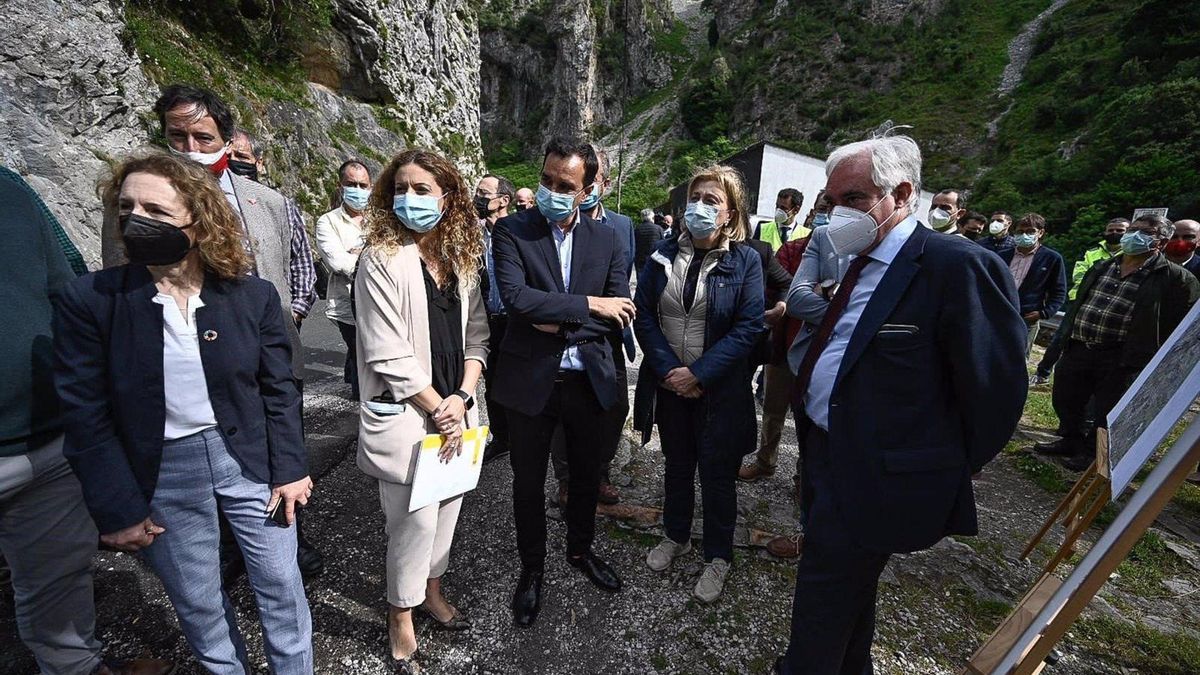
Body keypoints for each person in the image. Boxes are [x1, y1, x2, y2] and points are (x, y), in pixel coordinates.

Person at [775, 135, 1027, 674]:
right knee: (850, 589)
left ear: (903, 193)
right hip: (824, 452)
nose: (837, 213)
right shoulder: (858, 257)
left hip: (874, 474)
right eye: (831, 200)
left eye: (854, 199)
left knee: (821, 601)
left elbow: (996, 392)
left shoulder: (954, 267)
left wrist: (932, 467)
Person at [54, 153, 314, 673]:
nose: (136, 220)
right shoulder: (91, 301)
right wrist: (119, 509)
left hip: (247, 457)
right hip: (164, 469)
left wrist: (291, 468)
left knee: (281, 585)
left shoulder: (251, 296)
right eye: (126, 207)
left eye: (156, 209)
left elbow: (278, 389)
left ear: (200, 221)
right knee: (198, 600)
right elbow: (86, 413)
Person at [118, 83, 324, 579]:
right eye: (178, 137)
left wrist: (289, 316)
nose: (190, 150)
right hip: (186, 357)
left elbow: (297, 263)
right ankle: (227, 547)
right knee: (213, 454)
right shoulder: (138, 205)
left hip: (268, 355)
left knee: (281, 448)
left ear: (227, 140)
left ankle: (289, 540)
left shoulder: (268, 202)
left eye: (203, 138)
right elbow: (121, 284)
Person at [1, 168, 173, 675]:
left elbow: (68, 285)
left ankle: (78, 667)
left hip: (48, 436)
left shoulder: (11, 190)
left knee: (58, 579)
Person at [354, 149, 488, 673]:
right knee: (411, 523)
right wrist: (439, 408)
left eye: (423, 189)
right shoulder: (380, 258)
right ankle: (400, 612)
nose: (409, 199)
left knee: (448, 510)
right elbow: (385, 352)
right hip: (412, 416)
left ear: (448, 198)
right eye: (401, 189)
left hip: (456, 408)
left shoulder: (461, 259)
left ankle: (432, 590)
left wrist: (463, 398)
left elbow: (478, 335)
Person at [491, 137, 633, 627]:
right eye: (547, 180)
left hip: (587, 380)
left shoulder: (609, 239)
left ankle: (580, 550)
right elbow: (516, 300)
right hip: (531, 381)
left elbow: (620, 314)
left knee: (586, 477)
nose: (552, 190)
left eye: (565, 185)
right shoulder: (512, 231)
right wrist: (589, 305)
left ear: (587, 188)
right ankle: (532, 570)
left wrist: (558, 318)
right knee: (528, 483)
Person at [632, 164, 763, 603]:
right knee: (677, 465)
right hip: (671, 385)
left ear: (730, 214)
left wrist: (699, 374)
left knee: (718, 475)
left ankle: (719, 555)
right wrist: (671, 371)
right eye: (696, 199)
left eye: (713, 202)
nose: (701, 208)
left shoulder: (746, 260)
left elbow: (748, 328)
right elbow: (644, 314)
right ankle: (676, 534)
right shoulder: (662, 255)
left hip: (718, 391)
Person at [1034, 214, 1199, 471]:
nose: (1133, 235)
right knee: (1067, 398)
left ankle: (1091, 453)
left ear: (1160, 242)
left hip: (1120, 355)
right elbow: (1080, 303)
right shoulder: (1103, 266)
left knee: (1105, 410)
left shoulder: (1176, 278)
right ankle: (1070, 440)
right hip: (1080, 344)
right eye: (1133, 229)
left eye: (1144, 232)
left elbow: (1177, 324)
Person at [551, 145, 636, 505]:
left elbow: (624, 286)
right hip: (564, 334)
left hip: (607, 336)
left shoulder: (621, 225)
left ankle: (598, 472)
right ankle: (567, 479)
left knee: (615, 407)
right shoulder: (554, 223)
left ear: (602, 183)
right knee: (562, 409)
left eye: (594, 178)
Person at [1031, 217, 1130, 385]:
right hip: (1081, 302)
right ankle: (1042, 373)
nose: (1114, 233)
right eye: (1111, 230)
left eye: (1120, 231)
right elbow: (1079, 276)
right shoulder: (1093, 253)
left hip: (1113, 309)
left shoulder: (1130, 255)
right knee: (1060, 338)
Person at [314, 159, 372, 400]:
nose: (357, 190)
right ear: (340, 186)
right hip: (348, 306)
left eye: (363, 185)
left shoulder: (380, 219)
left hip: (379, 302)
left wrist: (358, 254)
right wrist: (371, 256)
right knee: (362, 356)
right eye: (351, 184)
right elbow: (338, 263)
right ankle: (362, 409)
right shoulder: (327, 222)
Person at [475, 173, 515, 463]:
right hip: (486, 320)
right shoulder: (474, 234)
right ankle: (501, 437)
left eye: (484, 193)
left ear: (503, 200)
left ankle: (523, 435)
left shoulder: (519, 232)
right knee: (492, 386)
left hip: (515, 321)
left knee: (519, 380)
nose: (478, 197)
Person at [998, 213, 1067, 357]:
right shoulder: (1002, 255)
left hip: (1026, 319)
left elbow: (1059, 291)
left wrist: (1044, 312)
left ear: (1040, 233)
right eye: (1020, 232)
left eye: (1030, 231)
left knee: (1018, 360)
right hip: (999, 314)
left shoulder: (1051, 258)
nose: (1024, 235)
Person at [635, 207, 664, 277]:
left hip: (640, 258)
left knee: (641, 280)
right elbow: (663, 243)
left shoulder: (637, 228)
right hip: (655, 258)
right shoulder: (658, 228)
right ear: (652, 217)